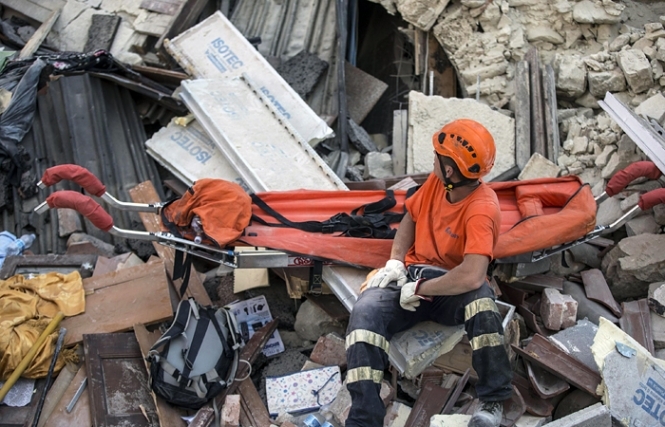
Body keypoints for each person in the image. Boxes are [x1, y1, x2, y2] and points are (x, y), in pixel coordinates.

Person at [344, 119, 513, 427]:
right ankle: (365, 419)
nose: (433, 158)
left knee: (482, 302)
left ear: (449, 169)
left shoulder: (481, 209)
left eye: (437, 154)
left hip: (450, 288)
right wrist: (395, 262)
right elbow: (411, 215)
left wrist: (423, 288)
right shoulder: (439, 183)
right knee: (366, 310)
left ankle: (493, 400)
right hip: (414, 277)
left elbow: (473, 275)